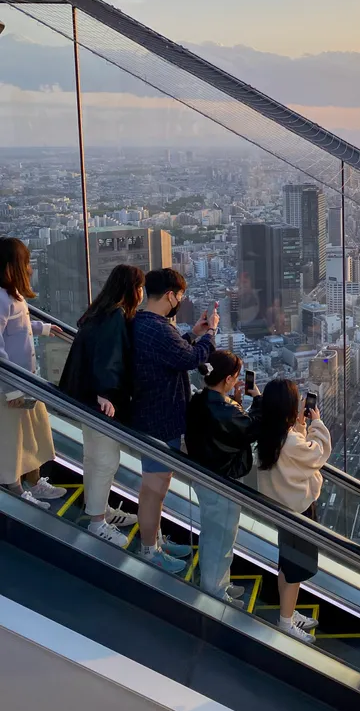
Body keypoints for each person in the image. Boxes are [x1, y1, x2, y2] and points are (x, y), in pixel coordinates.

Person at [130, 268, 218, 572]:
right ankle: (149, 550)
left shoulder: (144, 323)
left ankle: (154, 539)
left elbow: (171, 352)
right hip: (159, 417)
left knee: (155, 487)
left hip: (149, 413)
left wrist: (193, 334)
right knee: (154, 489)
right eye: (180, 295)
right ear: (170, 295)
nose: (180, 300)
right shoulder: (158, 328)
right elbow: (191, 359)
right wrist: (210, 335)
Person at [60, 264, 144, 545]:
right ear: (132, 290)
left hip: (84, 396)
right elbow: (108, 361)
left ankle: (98, 509)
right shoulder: (115, 317)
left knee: (93, 456)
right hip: (101, 402)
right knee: (106, 459)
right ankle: (98, 523)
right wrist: (105, 393)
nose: (142, 293)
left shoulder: (99, 311)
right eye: (140, 287)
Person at [256, 378, 331, 644]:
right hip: (297, 511)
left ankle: (288, 613)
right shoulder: (288, 441)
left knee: (286, 564)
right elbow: (318, 454)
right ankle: (286, 623)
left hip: (281, 509)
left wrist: (298, 425)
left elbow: (292, 451)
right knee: (294, 567)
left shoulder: (268, 432)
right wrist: (316, 424)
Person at [185, 350, 261, 608]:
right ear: (228, 378)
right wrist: (257, 399)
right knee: (222, 536)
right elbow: (250, 428)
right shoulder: (223, 409)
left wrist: (235, 400)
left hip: (205, 475)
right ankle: (214, 591)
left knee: (214, 533)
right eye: (236, 377)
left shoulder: (200, 399)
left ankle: (220, 582)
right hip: (222, 480)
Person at [0, 237, 67, 509]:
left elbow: (21, 327)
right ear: (10, 267)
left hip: (25, 382)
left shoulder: (12, 295)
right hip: (11, 387)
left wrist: (44, 328)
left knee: (34, 431)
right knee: (13, 438)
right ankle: (14, 487)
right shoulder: (1, 298)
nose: (29, 268)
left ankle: (35, 480)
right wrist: (10, 389)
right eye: (25, 263)